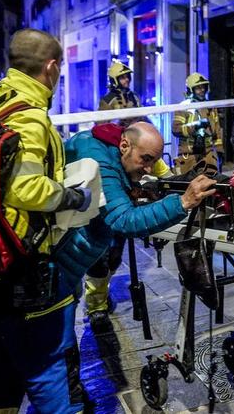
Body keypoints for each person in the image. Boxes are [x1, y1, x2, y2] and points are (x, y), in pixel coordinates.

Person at [0, 29, 95, 413]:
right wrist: (74, 196)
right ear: (51, 67)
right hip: (23, 268)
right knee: (51, 371)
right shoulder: (31, 116)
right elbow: (26, 189)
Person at [63, 121, 216, 333]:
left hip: (75, 250)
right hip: (61, 260)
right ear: (124, 145)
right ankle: (96, 306)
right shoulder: (98, 159)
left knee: (109, 260)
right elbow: (123, 219)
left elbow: (164, 177)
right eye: (145, 160)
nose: (149, 169)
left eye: (153, 161)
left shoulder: (118, 148)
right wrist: (182, 203)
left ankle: (96, 304)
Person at [172, 73, 223, 174]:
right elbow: (176, 129)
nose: (202, 90)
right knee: (185, 185)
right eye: (198, 88)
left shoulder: (211, 107)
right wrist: (195, 126)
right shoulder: (183, 107)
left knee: (210, 184)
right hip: (188, 156)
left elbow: (217, 131)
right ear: (191, 90)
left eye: (203, 87)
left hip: (208, 154)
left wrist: (220, 151)